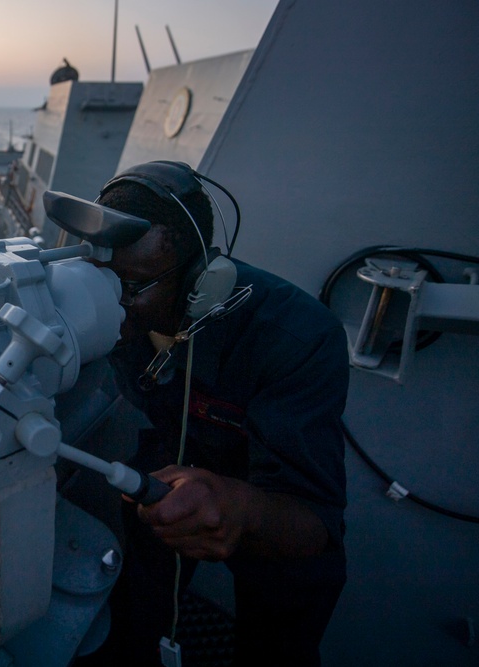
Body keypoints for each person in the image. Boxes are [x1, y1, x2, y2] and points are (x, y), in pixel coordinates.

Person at [72, 162, 349, 666]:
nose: (111, 302)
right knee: (141, 588)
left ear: (203, 281)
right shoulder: (117, 308)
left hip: (272, 496)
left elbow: (315, 523)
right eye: (100, 280)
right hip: (175, 451)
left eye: (131, 287)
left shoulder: (300, 338)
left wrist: (242, 509)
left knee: (285, 616)